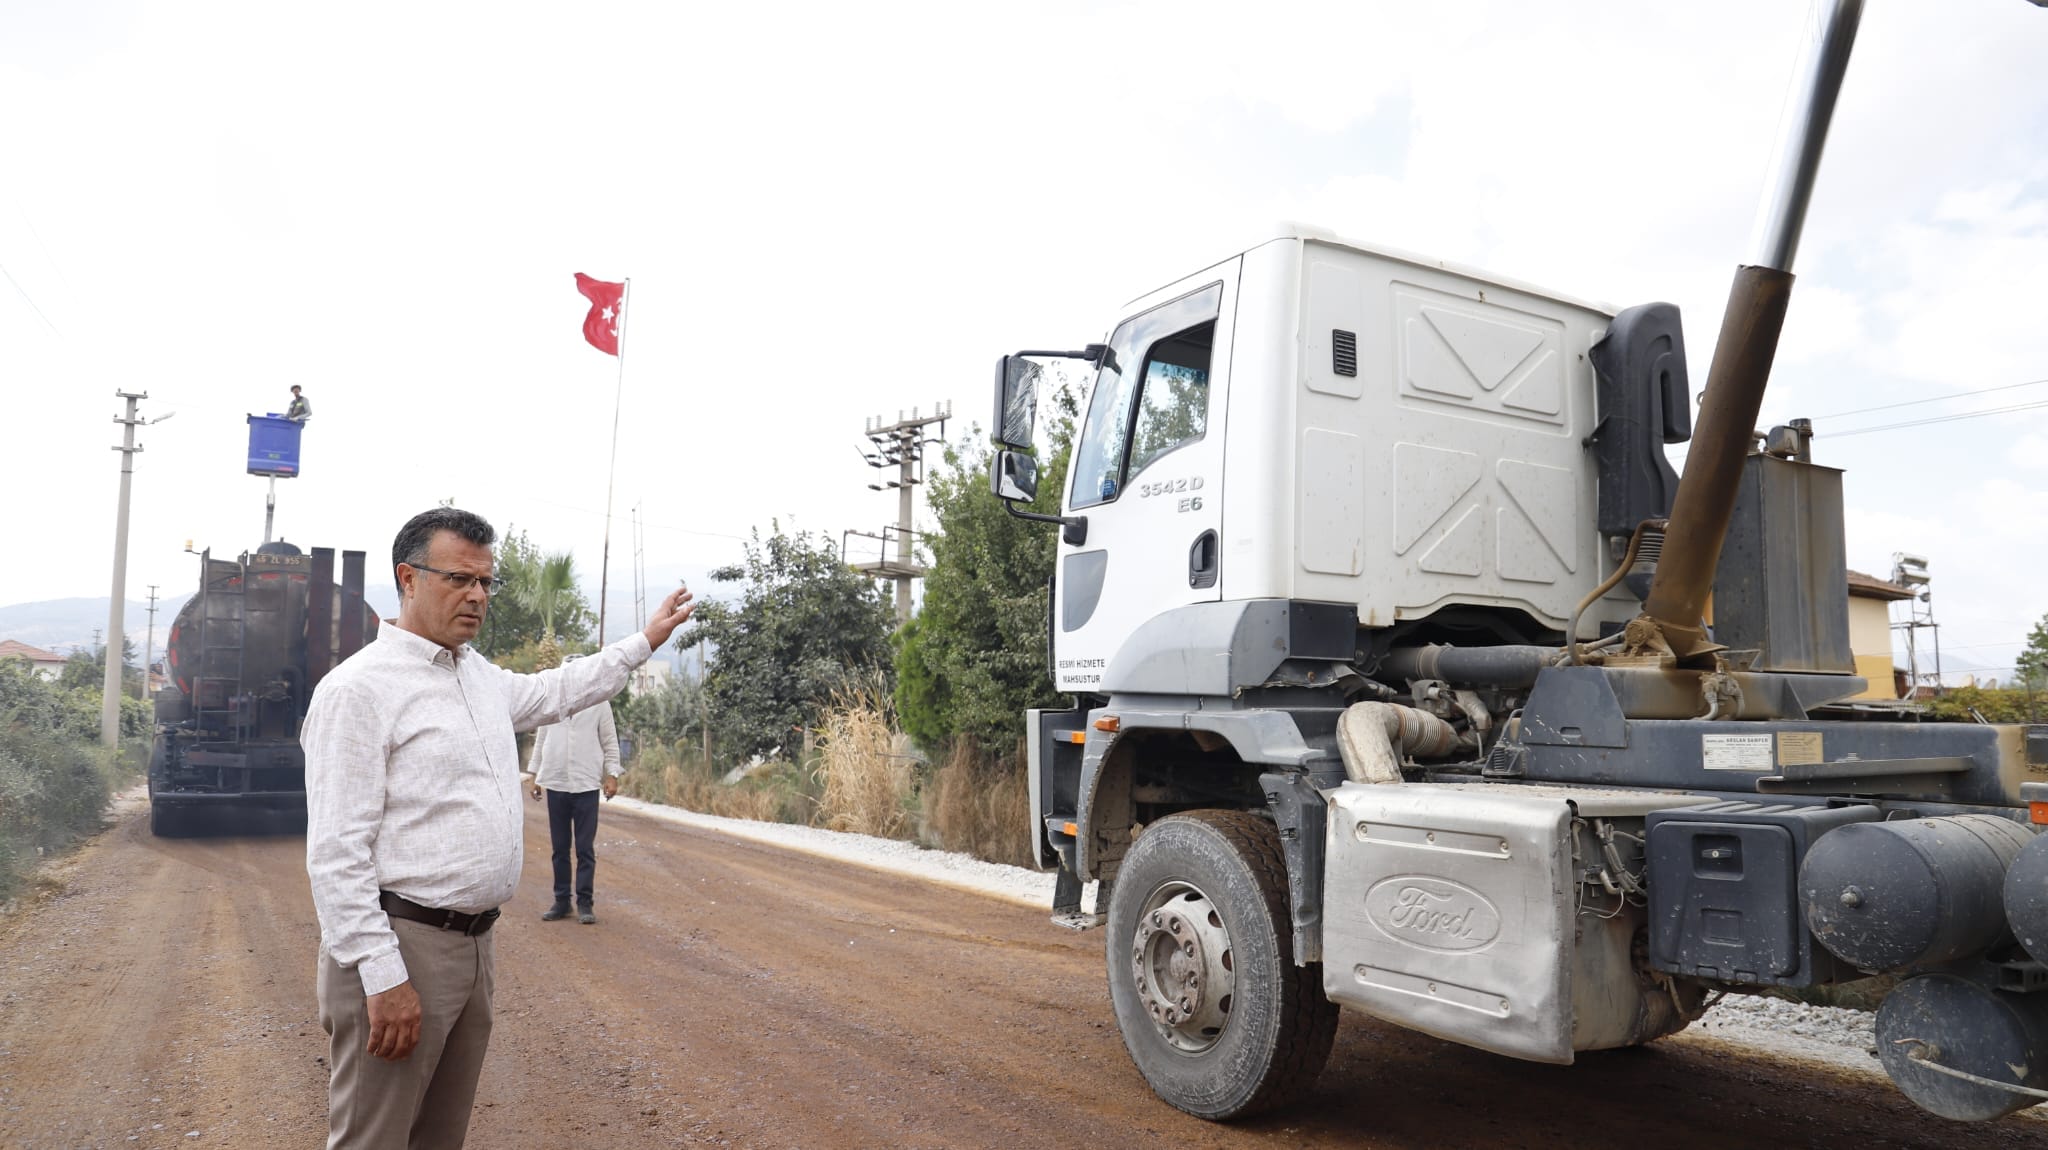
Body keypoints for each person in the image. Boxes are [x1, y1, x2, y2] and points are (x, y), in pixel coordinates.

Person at [302, 507, 693, 1149]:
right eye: (459, 578)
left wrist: (642, 642)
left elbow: (558, 690)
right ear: (408, 578)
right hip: (402, 945)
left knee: (438, 1138)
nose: (478, 596)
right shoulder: (359, 690)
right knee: (373, 1139)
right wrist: (382, 973)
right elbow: (336, 853)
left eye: (486, 582)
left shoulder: (477, 677)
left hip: (473, 949)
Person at [525, 658, 621, 925]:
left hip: (586, 784)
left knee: (584, 848)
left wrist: (611, 775)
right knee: (559, 847)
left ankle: (585, 903)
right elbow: (541, 740)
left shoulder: (599, 703)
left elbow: (610, 741)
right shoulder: (552, 703)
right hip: (556, 782)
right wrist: (535, 775)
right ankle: (561, 901)